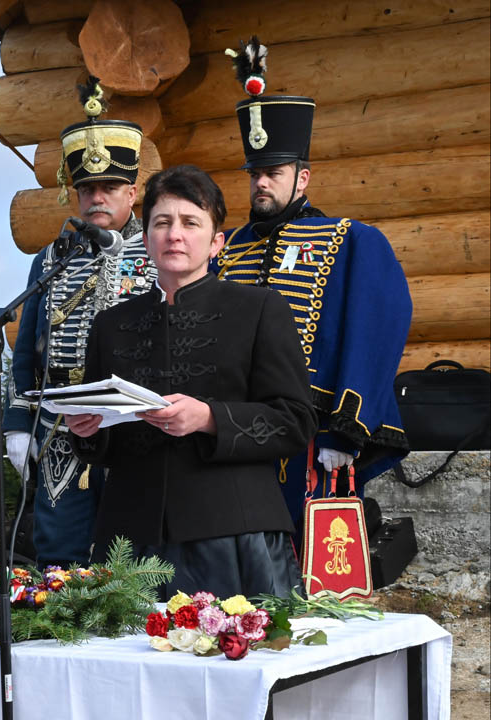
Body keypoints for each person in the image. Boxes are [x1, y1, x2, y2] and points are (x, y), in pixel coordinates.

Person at [64, 165, 316, 598]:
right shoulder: (111, 324)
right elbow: (104, 442)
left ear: (216, 241)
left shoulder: (259, 309)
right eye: (161, 223)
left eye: (190, 222)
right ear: (146, 240)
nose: (174, 234)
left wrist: (209, 418)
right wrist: (86, 430)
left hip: (233, 533)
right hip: (131, 538)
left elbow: (295, 421)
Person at [212, 38, 411, 532]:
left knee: (310, 562)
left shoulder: (351, 240)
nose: (261, 183)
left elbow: (375, 332)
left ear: (302, 178)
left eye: (272, 173)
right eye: (255, 173)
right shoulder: (228, 247)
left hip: (312, 435)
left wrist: (347, 429)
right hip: (234, 431)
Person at [4, 77, 158, 568]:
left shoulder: (160, 249)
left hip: (136, 426)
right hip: (60, 431)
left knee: (134, 562)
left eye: (110, 187)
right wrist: (16, 423)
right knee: (60, 559)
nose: (97, 197)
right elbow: (26, 349)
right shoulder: (52, 255)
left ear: (131, 191)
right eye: (87, 187)